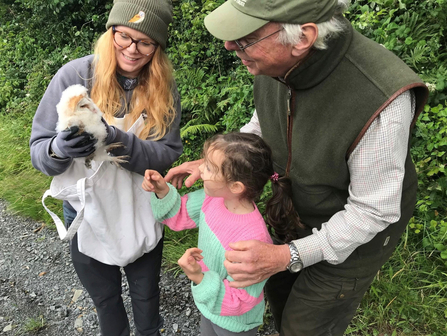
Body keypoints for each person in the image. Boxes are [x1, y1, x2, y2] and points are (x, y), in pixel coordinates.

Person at [164, 0, 430, 335]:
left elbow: (372, 211)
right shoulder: (275, 61)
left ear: (302, 37)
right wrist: (218, 162)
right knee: (277, 294)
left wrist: (283, 257)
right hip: (292, 216)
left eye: (245, 37)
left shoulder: (379, 98)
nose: (230, 46)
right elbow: (263, 124)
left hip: (354, 237)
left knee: (303, 326)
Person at [29, 1, 182, 335]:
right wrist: (58, 148)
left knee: (146, 296)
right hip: (87, 213)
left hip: (140, 209)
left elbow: (167, 155)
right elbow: (39, 152)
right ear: (110, 32)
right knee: (106, 299)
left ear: (157, 47)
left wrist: (117, 140)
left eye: (145, 42)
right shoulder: (74, 77)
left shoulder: (162, 87)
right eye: (124, 36)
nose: (132, 49)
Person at [142, 132, 302, 336]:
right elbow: (180, 214)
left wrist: (200, 279)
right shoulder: (213, 200)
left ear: (235, 186)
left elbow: (242, 300)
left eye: (209, 167)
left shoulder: (253, 240)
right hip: (209, 305)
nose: (200, 169)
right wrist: (162, 191)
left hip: (234, 325)